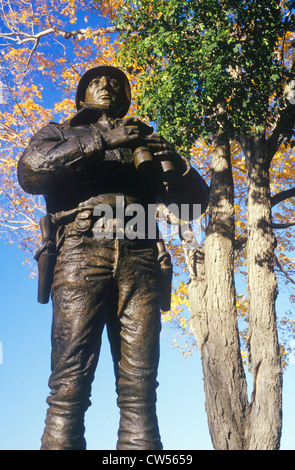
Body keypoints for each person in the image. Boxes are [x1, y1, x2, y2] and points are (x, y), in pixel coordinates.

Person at [18, 65, 209, 450]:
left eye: (115, 83)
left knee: (140, 391)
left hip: (141, 253)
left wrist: (178, 163)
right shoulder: (61, 132)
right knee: (69, 384)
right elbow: (31, 172)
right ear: (82, 94)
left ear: (125, 96)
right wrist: (102, 141)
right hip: (80, 249)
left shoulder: (145, 142)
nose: (107, 86)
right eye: (97, 81)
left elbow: (191, 209)